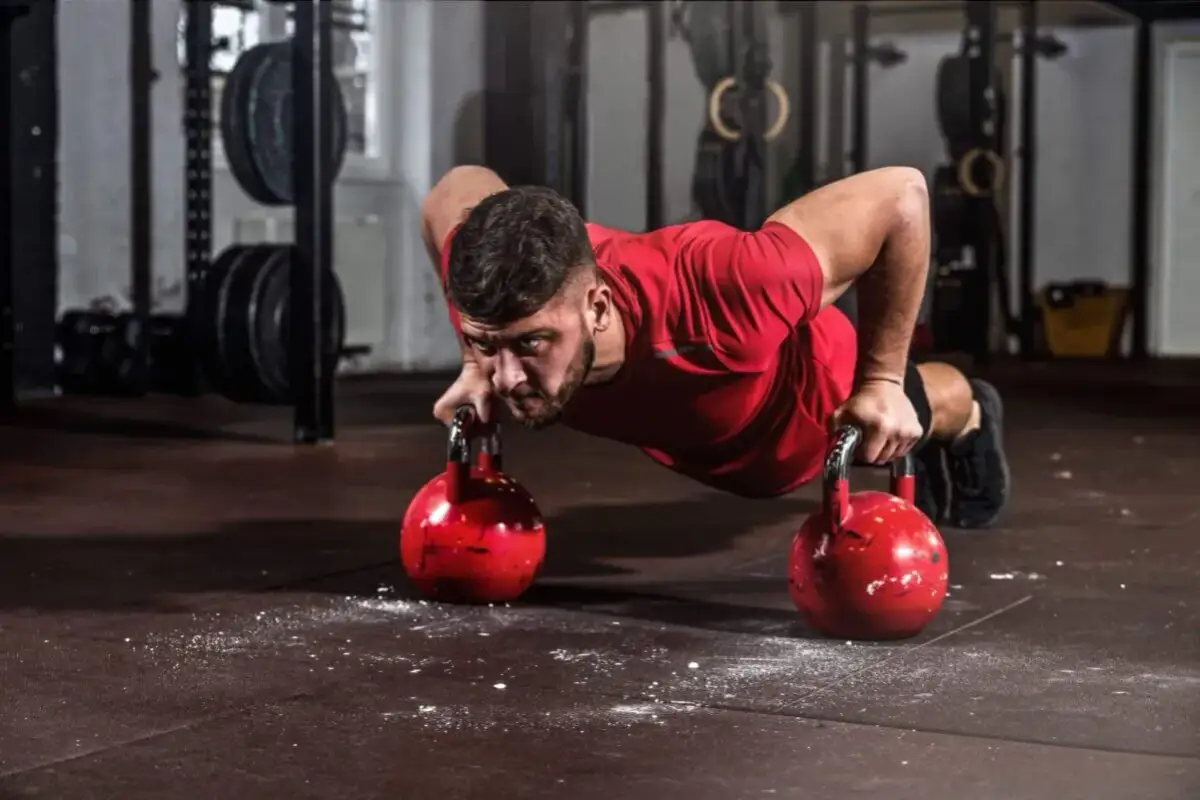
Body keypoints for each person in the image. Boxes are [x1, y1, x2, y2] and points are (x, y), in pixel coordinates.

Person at [419, 164, 1009, 528]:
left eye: (531, 344)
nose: (506, 377)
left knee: (903, 417)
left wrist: (881, 381)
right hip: (698, 434)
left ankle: (972, 412)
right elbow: (454, 187)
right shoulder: (489, 293)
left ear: (596, 307)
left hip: (809, 408)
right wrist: (472, 361)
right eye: (485, 344)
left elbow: (903, 194)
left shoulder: (723, 287)